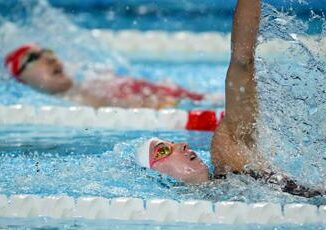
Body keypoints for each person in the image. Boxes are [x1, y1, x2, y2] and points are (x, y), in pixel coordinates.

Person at [136, 0, 325, 198]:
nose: (183, 144)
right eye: (163, 150)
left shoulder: (229, 158)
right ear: (154, 176)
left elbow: (242, 62)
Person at [4, 44, 222, 109]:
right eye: (34, 58)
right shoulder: (75, 105)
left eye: (49, 52)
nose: (50, 58)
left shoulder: (90, 83)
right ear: (21, 79)